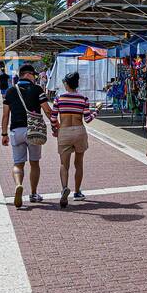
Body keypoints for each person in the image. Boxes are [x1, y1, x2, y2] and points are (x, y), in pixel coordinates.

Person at [1, 64, 54, 208]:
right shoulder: (37, 89)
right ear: (28, 74)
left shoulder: (10, 91)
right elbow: (47, 111)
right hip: (33, 130)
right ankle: (34, 193)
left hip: (16, 131)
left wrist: (4, 134)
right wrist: (56, 125)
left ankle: (18, 185)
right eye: (34, 75)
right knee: (34, 163)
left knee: (18, 163)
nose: (35, 77)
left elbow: (5, 114)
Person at [51, 71, 95, 207]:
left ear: (66, 84)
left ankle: (64, 188)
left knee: (64, 164)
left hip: (64, 131)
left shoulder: (59, 98)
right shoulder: (83, 98)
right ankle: (77, 192)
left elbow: (53, 118)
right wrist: (96, 111)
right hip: (79, 131)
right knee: (79, 163)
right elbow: (87, 119)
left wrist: (55, 128)